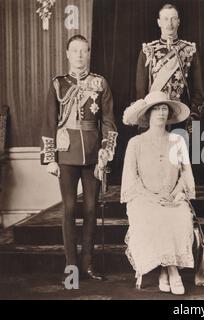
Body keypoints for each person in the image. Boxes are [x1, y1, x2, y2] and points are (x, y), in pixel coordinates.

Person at [40, 35, 118, 282]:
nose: (79, 56)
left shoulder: (100, 83)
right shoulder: (58, 84)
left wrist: (106, 149)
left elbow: (107, 120)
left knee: (92, 210)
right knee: (70, 209)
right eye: (75, 51)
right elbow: (49, 122)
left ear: (89, 53)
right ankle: (71, 267)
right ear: (67, 54)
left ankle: (88, 265)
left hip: (94, 154)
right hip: (65, 153)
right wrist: (50, 157)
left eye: (83, 51)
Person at [121, 90, 195, 295]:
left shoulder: (177, 141)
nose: (161, 113)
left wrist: (174, 194)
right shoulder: (135, 143)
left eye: (164, 109)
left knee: (179, 216)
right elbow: (131, 179)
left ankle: (165, 271)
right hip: (144, 199)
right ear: (147, 115)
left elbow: (184, 174)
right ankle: (173, 272)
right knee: (154, 217)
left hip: (173, 197)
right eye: (156, 109)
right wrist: (152, 197)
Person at [135, 3, 204, 132]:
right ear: (159, 22)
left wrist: (193, 116)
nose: (170, 23)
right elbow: (141, 92)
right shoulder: (148, 51)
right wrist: (144, 121)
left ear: (178, 21)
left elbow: (198, 91)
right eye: (166, 19)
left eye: (173, 19)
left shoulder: (190, 51)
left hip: (182, 119)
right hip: (155, 118)